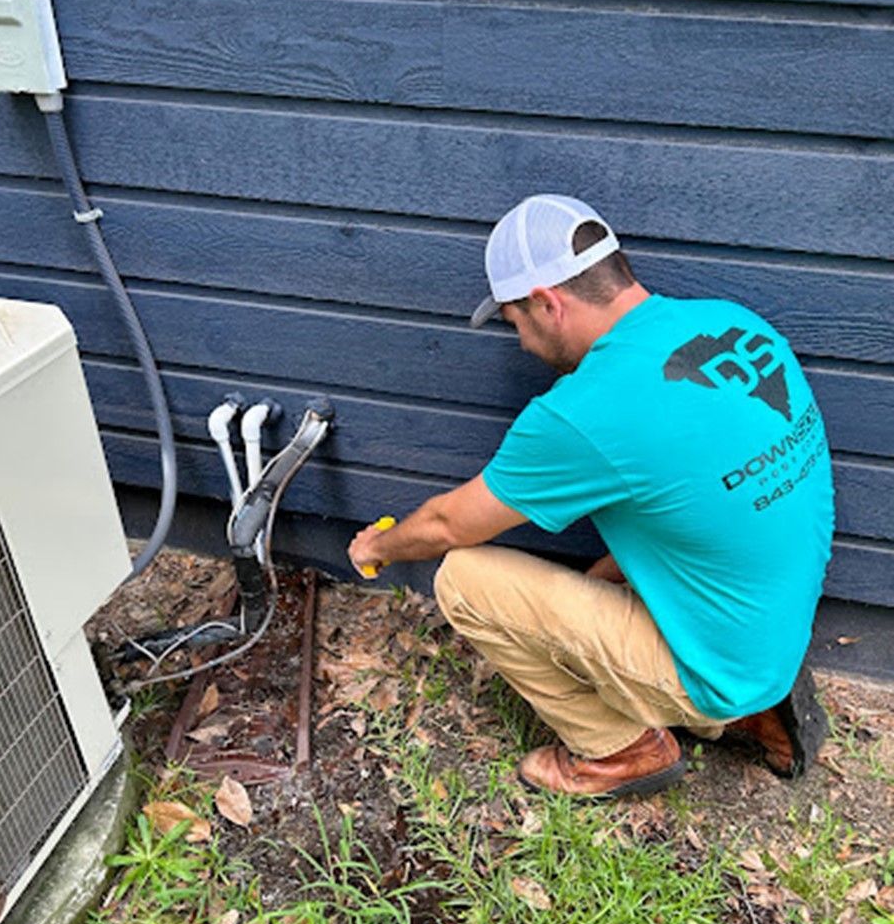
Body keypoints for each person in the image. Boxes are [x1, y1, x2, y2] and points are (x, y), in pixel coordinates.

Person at [348, 193, 834, 800]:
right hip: (775, 624)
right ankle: (759, 702)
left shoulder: (582, 411)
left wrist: (377, 547)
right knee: (624, 558)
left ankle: (624, 750)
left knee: (465, 580)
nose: (522, 343)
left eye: (514, 322)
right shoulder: (732, 323)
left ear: (547, 303)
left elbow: (449, 524)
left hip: (724, 663)